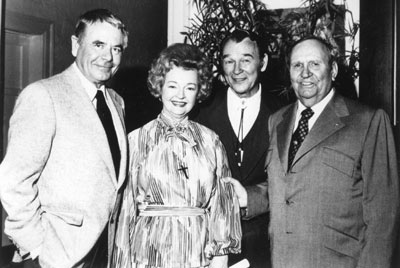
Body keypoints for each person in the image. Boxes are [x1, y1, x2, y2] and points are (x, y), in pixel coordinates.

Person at [230, 35, 400, 268]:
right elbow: (289, 187)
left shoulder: (368, 122)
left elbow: (383, 219)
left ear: (333, 70)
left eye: (315, 64)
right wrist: (247, 197)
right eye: (297, 65)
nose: (305, 73)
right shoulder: (278, 120)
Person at [0, 9, 129, 268]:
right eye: (98, 44)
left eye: (116, 49)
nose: (107, 57)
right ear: (75, 45)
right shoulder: (42, 95)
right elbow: (13, 180)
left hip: (106, 252)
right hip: (57, 256)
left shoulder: (116, 102)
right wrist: (37, 248)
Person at [112, 43, 242, 268]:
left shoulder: (212, 142)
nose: (180, 96)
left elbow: (223, 209)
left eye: (190, 88)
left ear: (199, 91)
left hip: (198, 256)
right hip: (148, 256)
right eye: (173, 86)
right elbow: (125, 214)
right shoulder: (136, 140)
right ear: (159, 85)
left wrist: (220, 261)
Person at [192, 29, 283, 267]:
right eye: (229, 61)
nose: (237, 70)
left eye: (246, 59)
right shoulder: (200, 110)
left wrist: (250, 197)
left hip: (265, 246)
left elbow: (293, 183)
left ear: (262, 63)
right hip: (208, 246)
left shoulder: (285, 114)